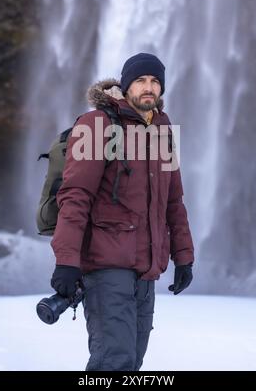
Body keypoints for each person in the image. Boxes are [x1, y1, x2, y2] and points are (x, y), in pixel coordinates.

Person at [50, 52, 194, 371]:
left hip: (146, 268)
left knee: (132, 362)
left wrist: (183, 256)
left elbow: (174, 200)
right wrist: (66, 260)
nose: (148, 87)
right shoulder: (97, 125)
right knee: (113, 361)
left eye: (155, 81)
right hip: (106, 265)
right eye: (141, 80)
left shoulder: (162, 130)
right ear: (126, 85)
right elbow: (76, 196)